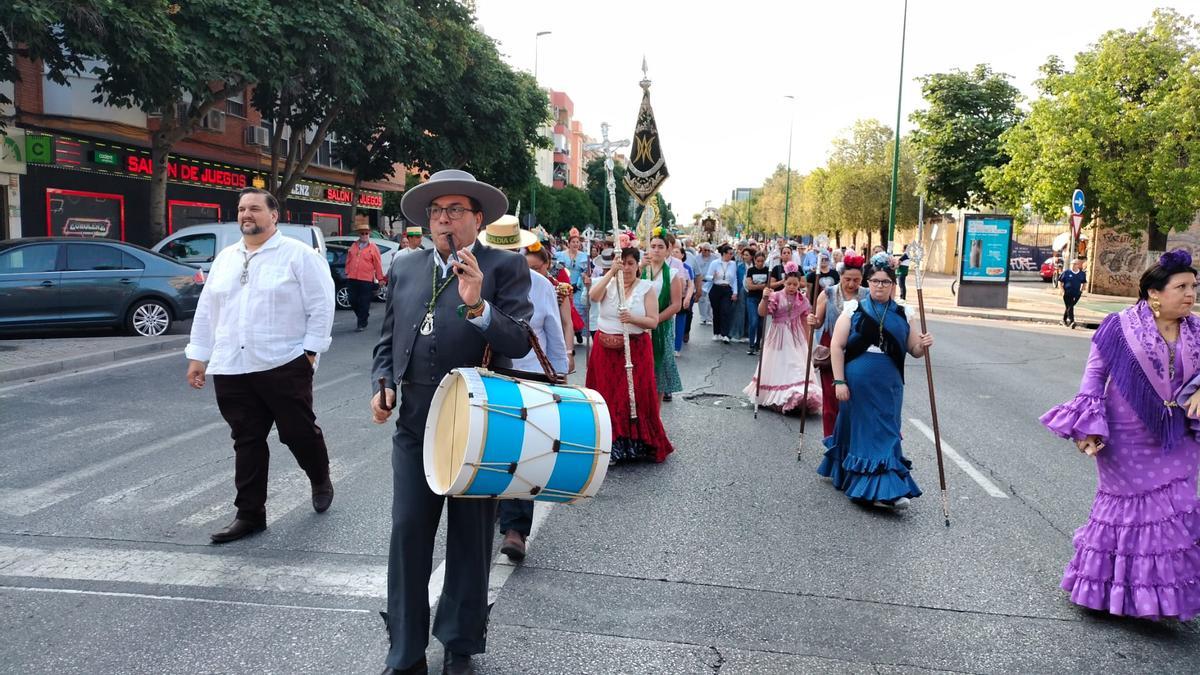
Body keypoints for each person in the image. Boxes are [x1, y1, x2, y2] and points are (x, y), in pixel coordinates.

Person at [370, 169, 533, 674]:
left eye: (456, 211)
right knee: (407, 531)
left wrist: (478, 303)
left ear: (478, 219)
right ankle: (405, 651)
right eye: (437, 212)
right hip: (415, 425)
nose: (444, 220)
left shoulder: (505, 266)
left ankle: (460, 644)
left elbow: (519, 341)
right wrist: (383, 383)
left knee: (469, 539)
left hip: (478, 427)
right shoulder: (405, 265)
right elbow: (387, 340)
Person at [1040, 249, 1200, 622]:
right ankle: (1114, 592)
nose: (1191, 294)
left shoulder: (1196, 330)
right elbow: (1095, 376)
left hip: (1177, 435)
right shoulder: (1120, 326)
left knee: (1176, 510)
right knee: (1131, 514)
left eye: (1194, 287)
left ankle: (1160, 599)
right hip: (1126, 436)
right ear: (1155, 293)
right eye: (1181, 287)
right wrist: (1086, 427)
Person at [185, 188, 336, 544]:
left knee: (297, 433)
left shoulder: (299, 255)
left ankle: (319, 478)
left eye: (254, 208)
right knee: (247, 439)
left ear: (274, 215)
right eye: (241, 209)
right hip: (231, 365)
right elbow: (207, 310)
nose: (246, 214)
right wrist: (198, 356)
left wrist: (310, 352)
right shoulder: (225, 259)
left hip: (282, 362)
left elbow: (321, 304)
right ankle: (250, 515)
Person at [477, 217, 568, 565]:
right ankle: (493, 512)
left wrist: (559, 376)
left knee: (523, 453)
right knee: (490, 449)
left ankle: (515, 529)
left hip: (528, 377)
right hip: (485, 376)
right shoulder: (474, 278)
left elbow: (553, 332)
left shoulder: (541, 284)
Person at [817, 254, 933, 509]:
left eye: (885, 282)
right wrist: (839, 382)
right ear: (868, 283)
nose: (880, 286)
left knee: (888, 430)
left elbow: (913, 350)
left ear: (893, 285)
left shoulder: (904, 313)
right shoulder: (853, 309)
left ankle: (881, 484)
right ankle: (878, 489)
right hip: (857, 384)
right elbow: (837, 346)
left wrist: (923, 345)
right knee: (861, 430)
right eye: (875, 281)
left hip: (890, 385)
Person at [587, 247, 674, 463]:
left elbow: (653, 321)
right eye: (622, 263)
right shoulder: (608, 283)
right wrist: (611, 272)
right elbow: (593, 296)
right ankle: (609, 443)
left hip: (635, 350)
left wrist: (632, 318)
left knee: (632, 396)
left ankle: (634, 443)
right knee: (608, 394)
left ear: (637, 265)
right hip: (605, 351)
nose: (626, 268)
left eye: (630, 263)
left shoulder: (646, 288)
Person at [744, 272, 822, 414]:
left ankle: (798, 394)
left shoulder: (802, 299)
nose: (792, 287)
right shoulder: (776, 296)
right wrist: (764, 298)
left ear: (799, 285)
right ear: (784, 282)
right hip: (778, 335)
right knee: (779, 364)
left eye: (795, 284)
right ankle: (781, 397)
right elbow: (762, 313)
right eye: (789, 284)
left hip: (796, 336)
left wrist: (807, 340)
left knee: (796, 363)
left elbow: (805, 321)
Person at [809, 254, 868, 438]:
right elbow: (818, 322)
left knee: (853, 397)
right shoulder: (828, 293)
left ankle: (851, 439)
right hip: (830, 349)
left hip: (857, 349)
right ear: (840, 276)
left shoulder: (867, 295)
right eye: (847, 279)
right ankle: (831, 440)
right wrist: (813, 321)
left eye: (856, 280)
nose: (851, 284)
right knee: (831, 397)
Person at [642, 228, 684, 401]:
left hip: (661, 327)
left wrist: (655, 320)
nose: (656, 250)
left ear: (668, 251)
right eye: (653, 246)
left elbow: (676, 305)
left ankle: (656, 412)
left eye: (660, 247)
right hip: (639, 325)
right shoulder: (641, 270)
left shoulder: (672, 274)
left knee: (658, 372)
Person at [527, 239, 576, 374]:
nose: (532, 273)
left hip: (554, 349)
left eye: (536, 268)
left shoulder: (559, 289)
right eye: (527, 268)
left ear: (547, 264)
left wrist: (569, 353)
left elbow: (567, 324)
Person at [344, 222, 388, 332]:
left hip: (366, 279)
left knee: (364, 302)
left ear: (369, 234)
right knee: (352, 299)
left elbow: (377, 264)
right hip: (352, 278)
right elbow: (348, 260)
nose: (364, 235)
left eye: (366, 233)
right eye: (362, 233)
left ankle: (362, 323)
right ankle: (362, 315)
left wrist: (380, 278)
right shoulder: (354, 246)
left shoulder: (373, 247)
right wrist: (347, 272)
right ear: (359, 234)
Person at [555, 231, 591, 343]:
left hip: (577, 287)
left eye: (577, 242)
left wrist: (577, 284)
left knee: (577, 310)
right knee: (565, 310)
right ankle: (567, 333)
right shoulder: (560, 255)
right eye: (573, 242)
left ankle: (578, 331)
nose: (576, 244)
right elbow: (556, 270)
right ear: (569, 243)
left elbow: (585, 272)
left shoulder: (584, 256)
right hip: (563, 285)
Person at [705, 245, 738, 343]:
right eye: (730, 254)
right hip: (716, 288)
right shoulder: (715, 263)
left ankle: (725, 334)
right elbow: (707, 276)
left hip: (727, 288)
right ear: (723, 254)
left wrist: (735, 292)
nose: (731, 256)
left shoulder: (733, 264)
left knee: (726, 310)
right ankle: (716, 333)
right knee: (716, 311)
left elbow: (734, 279)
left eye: (732, 254)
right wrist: (713, 277)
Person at [744, 252, 770, 355]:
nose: (760, 263)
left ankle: (758, 344)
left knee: (760, 323)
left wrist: (757, 286)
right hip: (752, 298)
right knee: (753, 321)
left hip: (763, 299)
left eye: (762, 261)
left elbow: (769, 285)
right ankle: (751, 344)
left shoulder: (767, 270)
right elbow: (749, 286)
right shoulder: (751, 270)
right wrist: (762, 286)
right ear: (754, 260)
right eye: (758, 261)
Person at [672, 243, 695, 357]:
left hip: (682, 297)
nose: (674, 254)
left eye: (677, 252)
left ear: (682, 255)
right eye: (673, 252)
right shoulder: (667, 265)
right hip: (669, 298)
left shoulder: (687, 268)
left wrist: (687, 298)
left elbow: (691, 285)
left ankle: (677, 347)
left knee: (680, 323)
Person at [729, 248, 751, 342]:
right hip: (741, 290)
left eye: (747, 255)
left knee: (749, 313)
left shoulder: (754, 266)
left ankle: (748, 334)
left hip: (752, 291)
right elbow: (736, 280)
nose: (744, 257)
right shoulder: (739, 266)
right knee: (740, 313)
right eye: (744, 255)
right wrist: (736, 292)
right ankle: (739, 333)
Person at [1060, 258, 1087, 328]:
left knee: (1069, 307)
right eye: (1072, 264)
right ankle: (1072, 321)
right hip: (1067, 293)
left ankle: (1063, 320)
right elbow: (1060, 282)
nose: (1073, 265)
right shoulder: (1066, 272)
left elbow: (1084, 282)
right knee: (1070, 306)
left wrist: (1081, 290)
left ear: (1078, 265)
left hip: (1076, 293)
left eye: (1074, 264)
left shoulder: (1082, 274)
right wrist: (1062, 290)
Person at [695, 242, 718, 325]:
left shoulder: (714, 258)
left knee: (709, 300)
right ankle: (703, 317)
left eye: (709, 250)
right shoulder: (697, 258)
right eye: (705, 250)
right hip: (701, 281)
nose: (707, 252)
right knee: (701, 300)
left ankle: (709, 317)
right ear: (702, 250)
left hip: (711, 282)